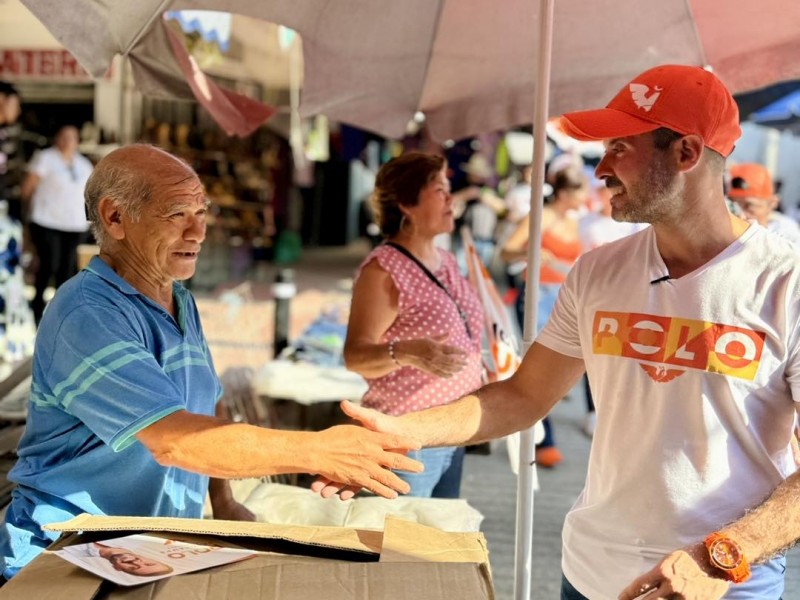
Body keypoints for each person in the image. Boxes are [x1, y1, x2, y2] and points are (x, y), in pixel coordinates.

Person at [317, 65, 800, 599]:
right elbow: (523, 396)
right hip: (587, 573)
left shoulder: (786, 282)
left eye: (620, 147)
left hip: (725, 584)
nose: (601, 170)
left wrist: (721, 556)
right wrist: (409, 430)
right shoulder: (599, 271)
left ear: (686, 153)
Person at [0, 144, 422, 581]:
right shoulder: (88, 311)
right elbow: (176, 440)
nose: (198, 232)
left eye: (202, 212)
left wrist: (223, 502)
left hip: (146, 549)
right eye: (177, 214)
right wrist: (317, 450)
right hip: (66, 553)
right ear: (114, 218)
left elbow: (208, 406)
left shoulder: (176, 298)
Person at [343, 151, 484, 498]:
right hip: (406, 438)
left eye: (449, 188)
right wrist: (406, 352)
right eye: (439, 190)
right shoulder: (384, 270)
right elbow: (355, 356)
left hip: (451, 430)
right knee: (401, 546)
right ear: (406, 204)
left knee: (434, 545)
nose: (451, 198)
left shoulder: (446, 260)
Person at [500, 164, 588, 467]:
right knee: (540, 369)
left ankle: (542, 436)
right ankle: (544, 441)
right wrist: (530, 254)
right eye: (582, 190)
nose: (587, 195)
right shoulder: (541, 216)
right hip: (537, 295)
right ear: (565, 193)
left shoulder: (572, 220)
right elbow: (505, 252)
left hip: (565, 297)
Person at [21, 125, 93, 323]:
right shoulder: (45, 157)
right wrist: (25, 215)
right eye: (64, 136)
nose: (68, 140)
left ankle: (63, 310)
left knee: (67, 268)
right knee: (48, 264)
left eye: (73, 136)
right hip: (46, 220)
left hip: (74, 224)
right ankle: (37, 306)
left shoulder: (83, 164)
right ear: (57, 138)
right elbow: (27, 187)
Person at [727, 162, 800, 245]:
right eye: (732, 207)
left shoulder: (786, 234)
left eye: (749, 207)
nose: (741, 215)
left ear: (772, 203)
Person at [75, 542, 173, 577]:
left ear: (117, 568)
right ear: (152, 558)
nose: (135, 562)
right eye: (149, 564)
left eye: (132, 568)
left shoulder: (78, 554)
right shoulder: (135, 539)